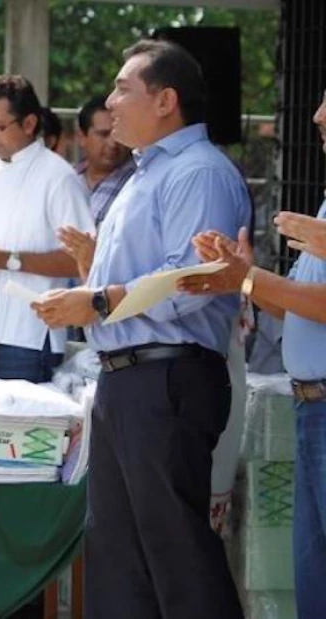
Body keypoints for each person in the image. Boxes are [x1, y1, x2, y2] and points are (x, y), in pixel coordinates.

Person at [32, 40, 249, 619]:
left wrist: (95, 300)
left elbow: (189, 280)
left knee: (175, 553)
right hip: (128, 378)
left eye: (123, 88)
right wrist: (91, 276)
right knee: (119, 557)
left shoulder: (199, 172)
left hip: (167, 377)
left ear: (165, 101)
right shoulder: (145, 173)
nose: (110, 102)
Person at [178, 87, 326, 619]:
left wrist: (249, 278)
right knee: (312, 582)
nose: (317, 115)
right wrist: (242, 279)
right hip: (310, 408)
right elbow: (298, 306)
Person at [0, 75, 93, 382]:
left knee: (22, 414)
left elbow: (81, 260)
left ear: (29, 123)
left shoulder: (58, 176)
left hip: (29, 334)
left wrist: (8, 260)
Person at [75, 95, 136, 227]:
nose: (113, 143)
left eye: (119, 134)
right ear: (82, 137)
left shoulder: (138, 181)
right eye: (103, 134)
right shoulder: (67, 177)